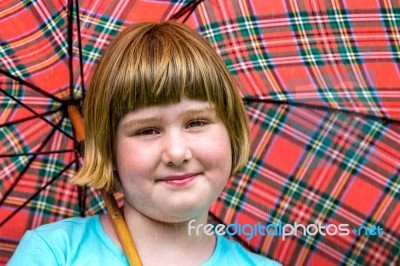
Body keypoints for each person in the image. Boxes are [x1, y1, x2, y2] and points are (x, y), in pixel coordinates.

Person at [8, 21, 281, 266]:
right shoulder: (54, 254)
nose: (176, 153)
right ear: (109, 149)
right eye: (147, 130)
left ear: (231, 130)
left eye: (196, 123)